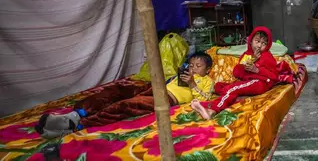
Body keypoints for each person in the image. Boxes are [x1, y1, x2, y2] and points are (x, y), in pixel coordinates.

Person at [36, 52, 215, 136]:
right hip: (158, 88)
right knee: (118, 90)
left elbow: (205, 99)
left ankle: (78, 125)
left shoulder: (207, 81)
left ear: (207, 70)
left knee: (129, 104)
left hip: (168, 99)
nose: (193, 69)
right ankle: (75, 114)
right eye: (190, 65)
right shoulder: (182, 74)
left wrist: (192, 84)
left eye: (198, 66)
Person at [190, 27, 282, 120]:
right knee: (219, 86)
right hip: (248, 82)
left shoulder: (267, 56)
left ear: (268, 45)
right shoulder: (246, 55)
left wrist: (258, 70)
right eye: (257, 41)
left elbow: (274, 76)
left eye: (263, 43)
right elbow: (237, 72)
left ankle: (212, 109)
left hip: (260, 83)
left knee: (232, 89)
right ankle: (239, 97)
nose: (259, 46)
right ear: (250, 41)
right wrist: (252, 59)